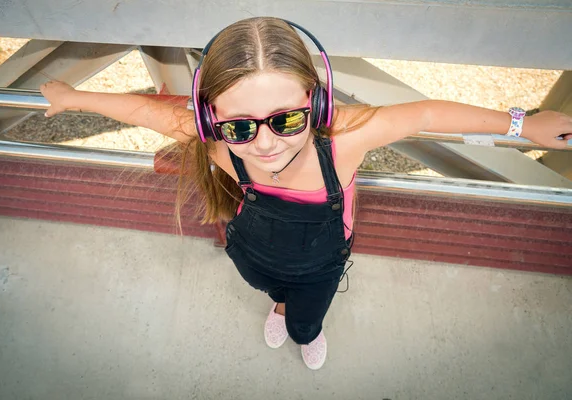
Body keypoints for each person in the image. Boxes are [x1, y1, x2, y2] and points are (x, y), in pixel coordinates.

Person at [40, 17, 572, 370]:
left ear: (316, 107)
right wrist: (70, 95)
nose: (266, 143)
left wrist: (522, 124)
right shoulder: (216, 145)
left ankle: (303, 325)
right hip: (251, 249)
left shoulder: (343, 142)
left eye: (287, 118)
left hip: (320, 263)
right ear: (209, 120)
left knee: (305, 317)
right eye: (241, 126)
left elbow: (428, 113)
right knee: (267, 287)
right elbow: (144, 111)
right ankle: (278, 304)